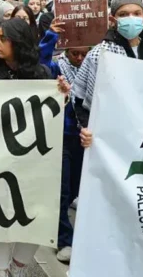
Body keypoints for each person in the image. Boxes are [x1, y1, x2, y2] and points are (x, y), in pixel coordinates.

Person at [0, 18, 70, 277]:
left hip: (31, 160)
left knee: (36, 214)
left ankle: (19, 266)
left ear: (19, 42)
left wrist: (61, 97)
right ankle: (1, 271)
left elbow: (51, 117)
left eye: (3, 38)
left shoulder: (42, 74)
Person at [72, 0, 143, 129]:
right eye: (124, 14)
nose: (131, 18)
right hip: (111, 127)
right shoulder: (100, 54)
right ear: (112, 19)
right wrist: (86, 128)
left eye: (137, 13)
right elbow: (80, 98)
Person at [54, 46, 90, 264]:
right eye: (74, 54)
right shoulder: (56, 65)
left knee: (75, 188)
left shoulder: (96, 65)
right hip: (62, 135)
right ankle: (64, 239)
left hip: (86, 136)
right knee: (63, 190)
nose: (79, 58)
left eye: (83, 54)